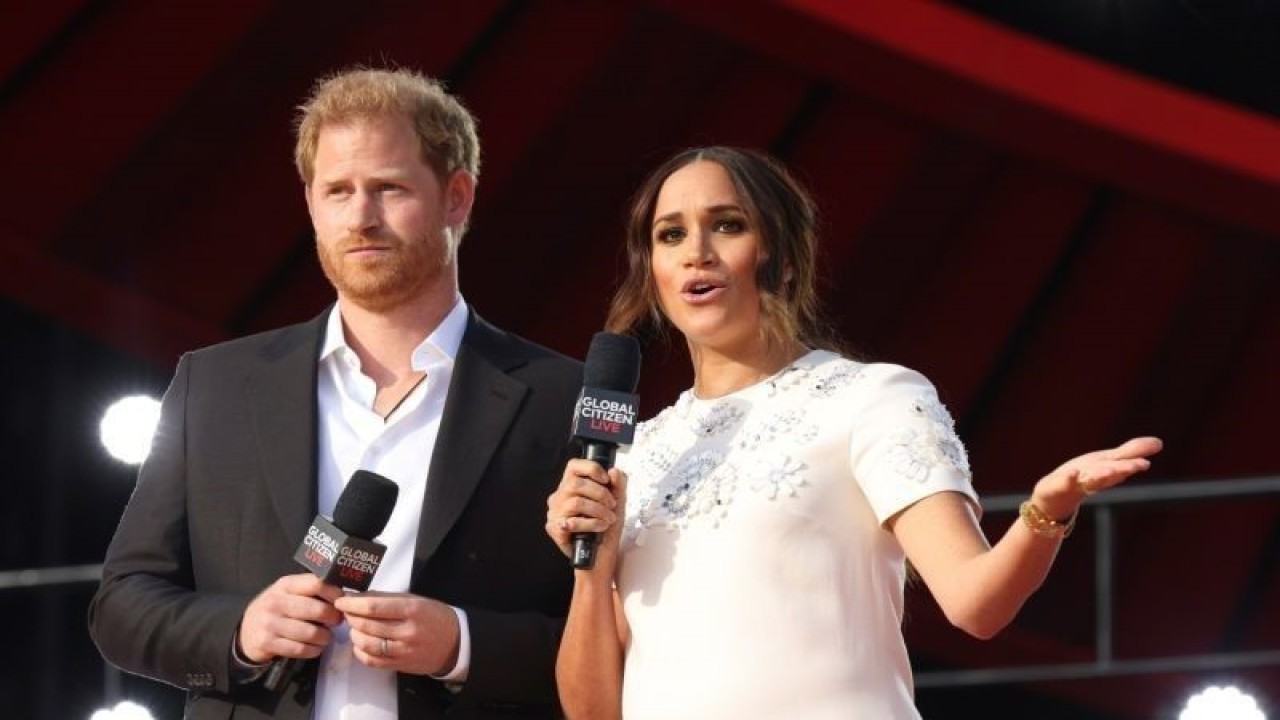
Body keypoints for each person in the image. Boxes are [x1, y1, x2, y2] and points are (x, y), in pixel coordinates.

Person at [544, 146, 1163, 719]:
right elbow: (596, 713)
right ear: (652, 272)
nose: (695, 251)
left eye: (728, 224)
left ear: (782, 258)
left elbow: (977, 605)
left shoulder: (870, 398)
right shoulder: (642, 451)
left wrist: (1045, 513)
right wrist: (591, 570)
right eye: (670, 234)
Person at [89, 66, 582, 719]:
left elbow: (617, 635)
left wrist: (461, 644)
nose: (362, 217)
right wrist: (241, 632)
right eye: (338, 190)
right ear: (311, 203)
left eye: (388, 188)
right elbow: (122, 605)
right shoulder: (216, 386)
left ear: (456, 198)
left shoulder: (560, 397)